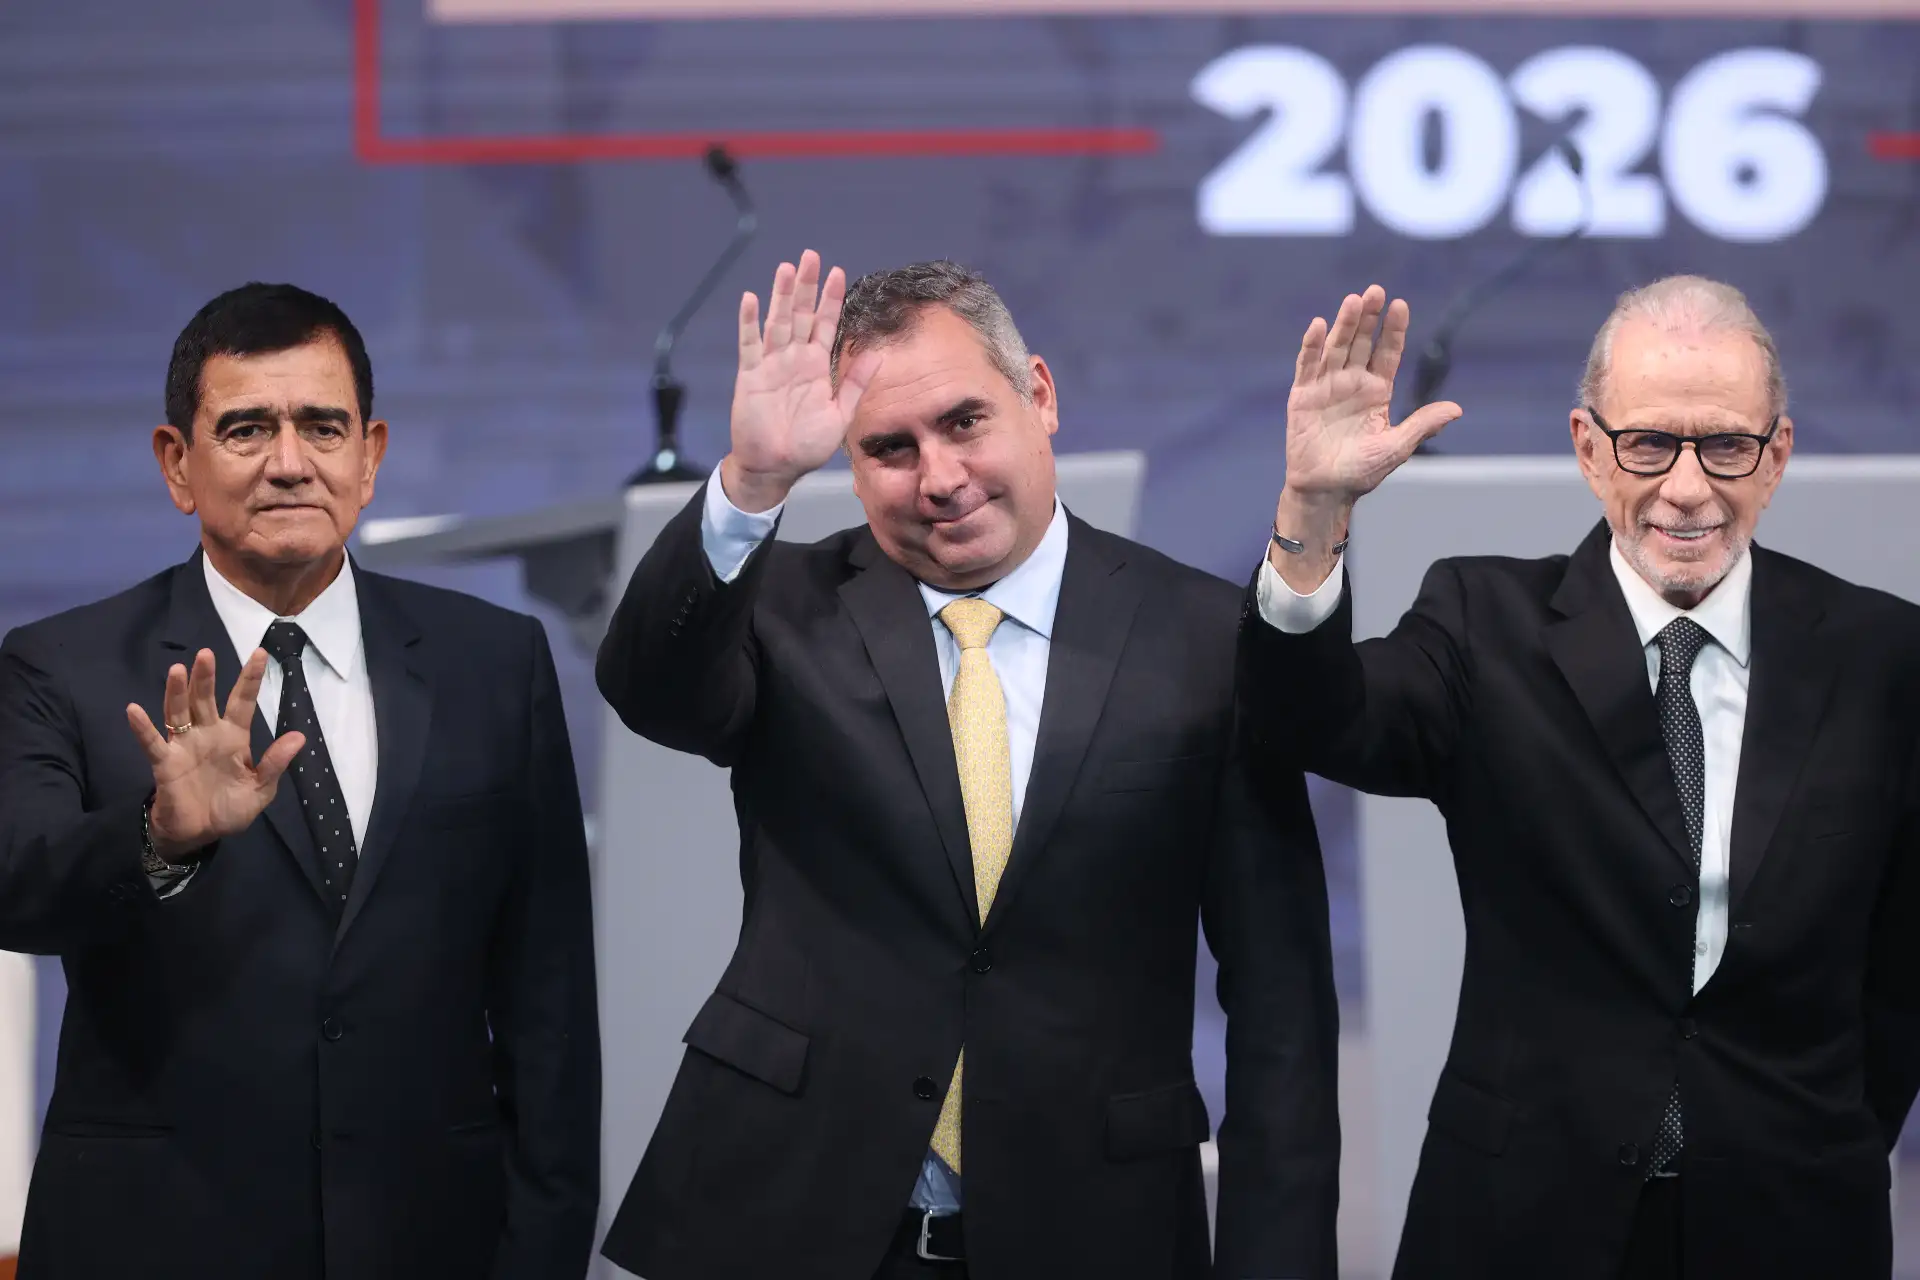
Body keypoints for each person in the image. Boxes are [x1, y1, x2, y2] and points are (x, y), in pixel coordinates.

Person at [595, 254, 1339, 1279]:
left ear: (1040, 395)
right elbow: (651, 689)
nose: (939, 478)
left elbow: (1281, 1005)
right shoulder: (779, 605)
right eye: (889, 448)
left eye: (963, 422)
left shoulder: (1209, 637)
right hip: (786, 1219)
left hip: (1093, 1233)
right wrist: (752, 484)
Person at [1243, 275, 1920, 1279]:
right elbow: (1314, 717)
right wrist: (1314, 507)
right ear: (1588, 447)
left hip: (1795, 1218)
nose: (1686, 487)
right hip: (1521, 1219)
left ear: (1776, 455)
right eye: (1648, 443)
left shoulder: (1882, 655)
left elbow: (1901, 966)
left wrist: (1831, 1136)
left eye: (1725, 446)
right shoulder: (1483, 622)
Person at [0, 283, 601, 1279]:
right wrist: (159, 835)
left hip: (432, 1241)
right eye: (246, 429)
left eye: (323, 426)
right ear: (177, 464)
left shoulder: (495, 662)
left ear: (370, 456)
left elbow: (550, 1005)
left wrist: (542, 1253)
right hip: (157, 1242)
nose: (289, 461)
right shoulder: (62, 664)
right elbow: (17, 888)